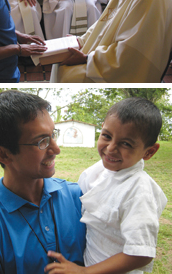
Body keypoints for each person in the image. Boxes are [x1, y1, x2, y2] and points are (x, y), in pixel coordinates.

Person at [0, 90, 86, 273]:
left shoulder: (78, 197)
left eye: (53, 134)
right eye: (41, 141)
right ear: (3, 154)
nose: (56, 149)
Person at [45, 97, 167, 274]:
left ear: (149, 152)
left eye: (126, 143)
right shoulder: (98, 171)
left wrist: (85, 272)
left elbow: (141, 254)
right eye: (106, 136)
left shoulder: (139, 191)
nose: (110, 148)